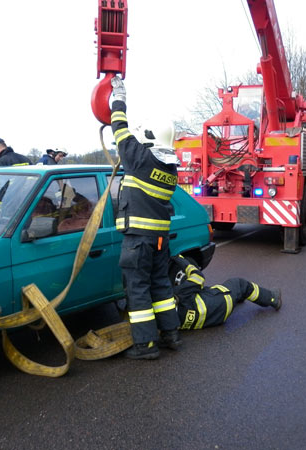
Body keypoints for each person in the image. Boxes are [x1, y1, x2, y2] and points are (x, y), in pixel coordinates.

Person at [110, 75, 182, 360]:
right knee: (161, 286)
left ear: (149, 137)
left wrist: (118, 97)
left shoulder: (140, 159)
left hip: (138, 241)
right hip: (160, 240)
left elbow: (119, 128)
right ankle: (171, 335)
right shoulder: (170, 170)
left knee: (137, 291)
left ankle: (146, 346)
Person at [171, 255, 281, 329]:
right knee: (240, 283)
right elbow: (199, 278)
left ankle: (239, 297)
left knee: (201, 291)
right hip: (221, 304)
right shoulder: (178, 292)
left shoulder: (166, 320)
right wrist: (182, 260)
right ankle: (272, 299)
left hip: (214, 319)